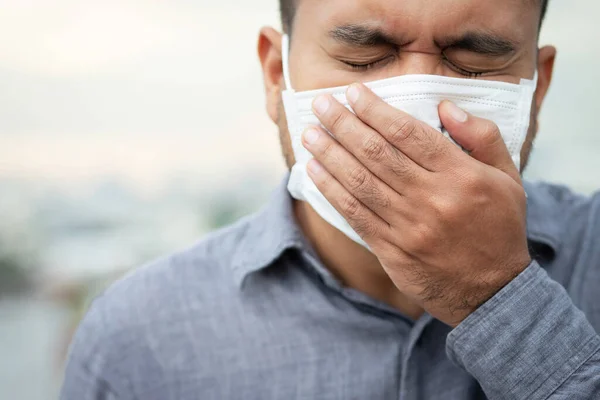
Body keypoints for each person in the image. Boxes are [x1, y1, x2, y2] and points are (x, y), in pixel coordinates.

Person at [60, 0, 600, 399]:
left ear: (539, 85)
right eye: (365, 56)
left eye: (473, 62)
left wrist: (501, 296)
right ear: (276, 75)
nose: (413, 116)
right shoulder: (136, 335)